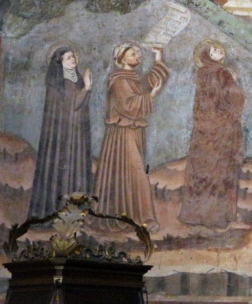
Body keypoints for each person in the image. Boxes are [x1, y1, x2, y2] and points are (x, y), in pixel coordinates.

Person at [92, 43, 170, 232]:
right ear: (122, 58)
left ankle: (133, 216)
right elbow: (129, 105)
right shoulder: (118, 80)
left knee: (133, 172)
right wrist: (152, 95)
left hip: (134, 131)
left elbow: (152, 80)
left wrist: (158, 57)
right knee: (134, 171)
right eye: (133, 53)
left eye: (138, 53)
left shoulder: (134, 78)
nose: (138, 56)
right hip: (122, 133)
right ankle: (145, 219)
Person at [178, 39, 246, 229]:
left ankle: (195, 214)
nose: (220, 52)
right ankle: (216, 216)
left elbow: (204, 100)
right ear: (207, 53)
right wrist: (234, 81)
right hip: (221, 127)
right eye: (215, 50)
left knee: (202, 168)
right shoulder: (221, 72)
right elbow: (233, 97)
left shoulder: (201, 73)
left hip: (203, 128)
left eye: (221, 49)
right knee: (220, 168)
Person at [27, 45, 93, 219]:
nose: (73, 60)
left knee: (76, 165)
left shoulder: (75, 79)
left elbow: (79, 107)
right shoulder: (58, 83)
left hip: (77, 132)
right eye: (68, 58)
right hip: (63, 134)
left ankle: (76, 210)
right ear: (60, 63)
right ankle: (58, 210)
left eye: (73, 57)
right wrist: (86, 88)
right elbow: (73, 105)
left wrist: (84, 87)